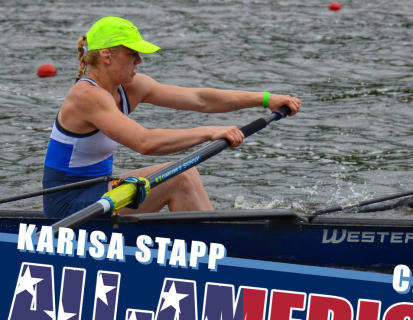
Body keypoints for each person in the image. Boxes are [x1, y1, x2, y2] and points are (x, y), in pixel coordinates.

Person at [42, 16, 301, 218]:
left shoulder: (130, 87)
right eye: (132, 54)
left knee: (182, 175)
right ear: (107, 56)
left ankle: (210, 237)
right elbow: (144, 142)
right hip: (68, 207)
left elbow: (200, 99)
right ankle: (221, 251)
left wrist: (265, 99)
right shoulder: (87, 96)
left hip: (100, 193)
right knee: (180, 176)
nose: (139, 61)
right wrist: (209, 132)